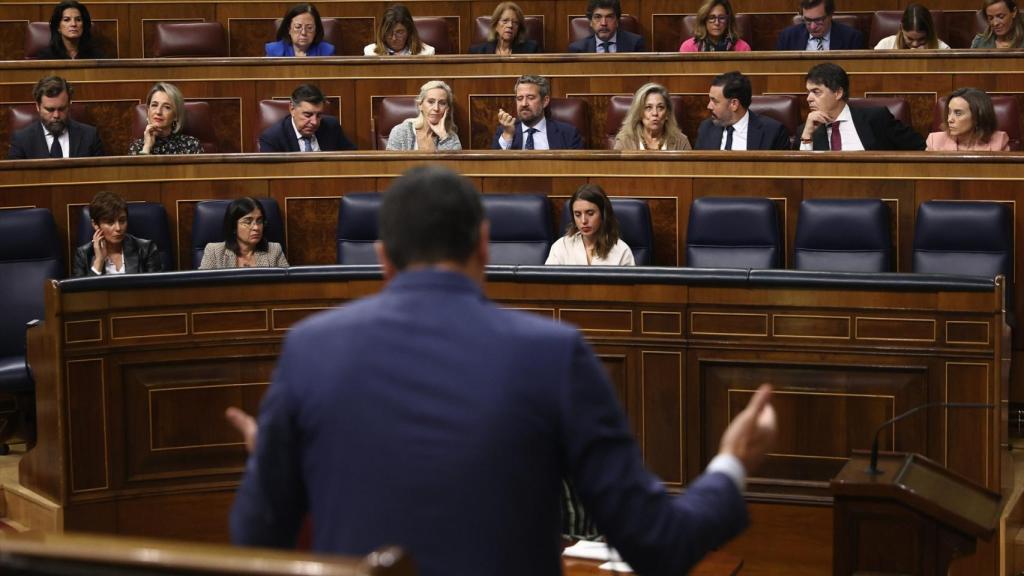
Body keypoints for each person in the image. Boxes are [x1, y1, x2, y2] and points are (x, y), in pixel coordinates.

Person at [229, 164, 777, 576]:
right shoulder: (554, 353)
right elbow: (658, 543)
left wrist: (273, 469)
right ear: (484, 246)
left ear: (383, 257)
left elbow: (256, 538)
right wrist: (731, 465)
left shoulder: (307, 350)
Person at [797, 63, 925, 150]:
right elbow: (802, 171)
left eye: (816, 92)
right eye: (808, 92)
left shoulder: (876, 118)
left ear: (838, 93)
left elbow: (918, 147)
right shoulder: (805, 130)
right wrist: (807, 136)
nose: (809, 98)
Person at [7, 76, 104, 159]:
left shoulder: (90, 136)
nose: (56, 115)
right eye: (50, 110)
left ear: (69, 105)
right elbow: (15, 178)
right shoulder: (22, 140)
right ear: (37, 106)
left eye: (61, 109)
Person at [72, 191, 163, 277]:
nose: (118, 228)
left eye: (122, 220)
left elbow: (156, 290)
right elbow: (84, 293)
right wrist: (99, 261)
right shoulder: (83, 255)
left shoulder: (146, 250)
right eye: (110, 222)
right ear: (95, 224)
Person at [696, 71, 791, 150]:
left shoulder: (773, 132)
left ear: (734, 104)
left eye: (715, 101)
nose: (709, 106)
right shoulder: (706, 128)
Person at [546, 184, 635, 266]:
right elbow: (546, 282)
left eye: (590, 213)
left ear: (603, 214)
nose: (583, 221)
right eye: (578, 214)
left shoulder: (621, 251)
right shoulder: (561, 246)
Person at [492, 75, 583, 150]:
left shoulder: (568, 133)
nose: (524, 104)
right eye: (520, 98)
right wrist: (508, 135)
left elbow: (577, 169)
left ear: (545, 101)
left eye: (531, 98)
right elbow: (494, 167)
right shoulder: (504, 131)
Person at [258, 84, 357, 152]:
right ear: (292, 109)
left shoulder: (331, 126)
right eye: (307, 115)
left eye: (319, 115)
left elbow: (352, 158)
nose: (314, 122)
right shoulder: (272, 138)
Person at [199, 197, 288, 269]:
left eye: (259, 221)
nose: (256, 227)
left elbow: (286, 286)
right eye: (248, 222)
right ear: (234, 226)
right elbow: (201, 287)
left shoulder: (274, 250)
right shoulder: (214, 252)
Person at [386, 80, 461, 151]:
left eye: (442, 103)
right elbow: (391, 164)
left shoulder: (451, 138)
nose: (436, 108)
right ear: (420, 105)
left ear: (447, 109)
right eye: (431, 102)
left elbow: (453, 163)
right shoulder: (401, 132)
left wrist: (443, 136)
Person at [926, 87, 1010, 151]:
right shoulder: (935, 142)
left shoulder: (999, 142)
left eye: (958, 113)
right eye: (949, 112)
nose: (949, 120)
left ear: (978, 116)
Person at [128, 82, 202, 155]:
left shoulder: (191, 145)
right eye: (154, 105)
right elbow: (138, 167)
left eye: (167, 107)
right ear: (148, 111)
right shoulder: (137, 147)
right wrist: (147, 147)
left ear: (176, 116)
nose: (158, 112)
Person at [613, 83, 691, 151]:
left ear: (667, 113)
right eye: (648, 107)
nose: (655, 113)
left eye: (660, 107)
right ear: (639, 113)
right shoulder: (625, 141)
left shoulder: (681, 142)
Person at [775, 0, 864, 50]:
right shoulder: (787, 37)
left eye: (818, 20)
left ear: (830, 15)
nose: (813, 27)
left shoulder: (852, 38)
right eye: (808, 20)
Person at [568, 0, 646, 52]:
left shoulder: (635, 43)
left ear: (617, 21)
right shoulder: (577, 49)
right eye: (598, 17)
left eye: (609, 17)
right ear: (591, 22)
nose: (604, 23)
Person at [37, 0, 104, 59]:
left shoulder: (97, 56)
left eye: (78, 19)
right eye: (66, 20)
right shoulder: (46, 56)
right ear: (58, 27)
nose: (73, 24)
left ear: (84, 25)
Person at [679, 0, 751, 52]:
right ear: (704, 20)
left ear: (728, 20)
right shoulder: (688, 48)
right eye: (711, 18)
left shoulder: (743, 48)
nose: (717, 23)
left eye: (722, 18)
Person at [265, 4, 335, 57]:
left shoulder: (327, 52)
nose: (303, 32)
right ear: (289, 29)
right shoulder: (273, 51)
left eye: (309, 28)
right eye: (298, 27)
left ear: (316, 30)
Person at [469, 2, 540, 54]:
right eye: (505, 21)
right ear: (495, 25)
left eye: (515, 22)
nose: (510, 25)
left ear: (519, 28)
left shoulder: (532, 49)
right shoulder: (478, 51)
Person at [364, 4, 434, 55]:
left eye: (399, 32)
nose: (394, 38)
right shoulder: (371, 53)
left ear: (409, 31)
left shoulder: (426, 53)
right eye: (389, 32)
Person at [873, 4, 950, 49]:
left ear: (930, 32)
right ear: (901, 28)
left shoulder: (943, 49)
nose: (915, 44)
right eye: (910, 38)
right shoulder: (884, 46)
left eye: (922, 39)